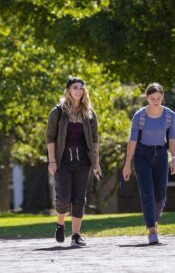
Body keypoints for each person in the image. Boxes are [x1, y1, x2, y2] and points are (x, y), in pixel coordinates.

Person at [45, 76, 101, 246]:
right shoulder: (58, 112)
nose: (78, 91)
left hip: (83, 161)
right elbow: (50, 137)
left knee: (79, 198)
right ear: (68, 90)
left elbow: (95, 140)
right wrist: (52, 161)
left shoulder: (89, 113)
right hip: (63, 160)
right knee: (63, 197)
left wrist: (96, 163)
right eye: (75, 87)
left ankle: (76, 234)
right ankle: (60, 224)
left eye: (81, 88)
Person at [122, 82, 175, 244]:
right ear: (147, 98)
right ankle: (151, 230)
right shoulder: (139, 116)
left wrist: (174, 158)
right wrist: (127, 164)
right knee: (147, 194)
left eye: (159, 98)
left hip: (160, 154)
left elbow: (172, 138)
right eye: (152, 98)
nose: (156, 101)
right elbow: (132, 140)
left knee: (160, 196)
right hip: (142, 155)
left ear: (162, 97)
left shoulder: (169, 115)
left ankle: (154, 221)